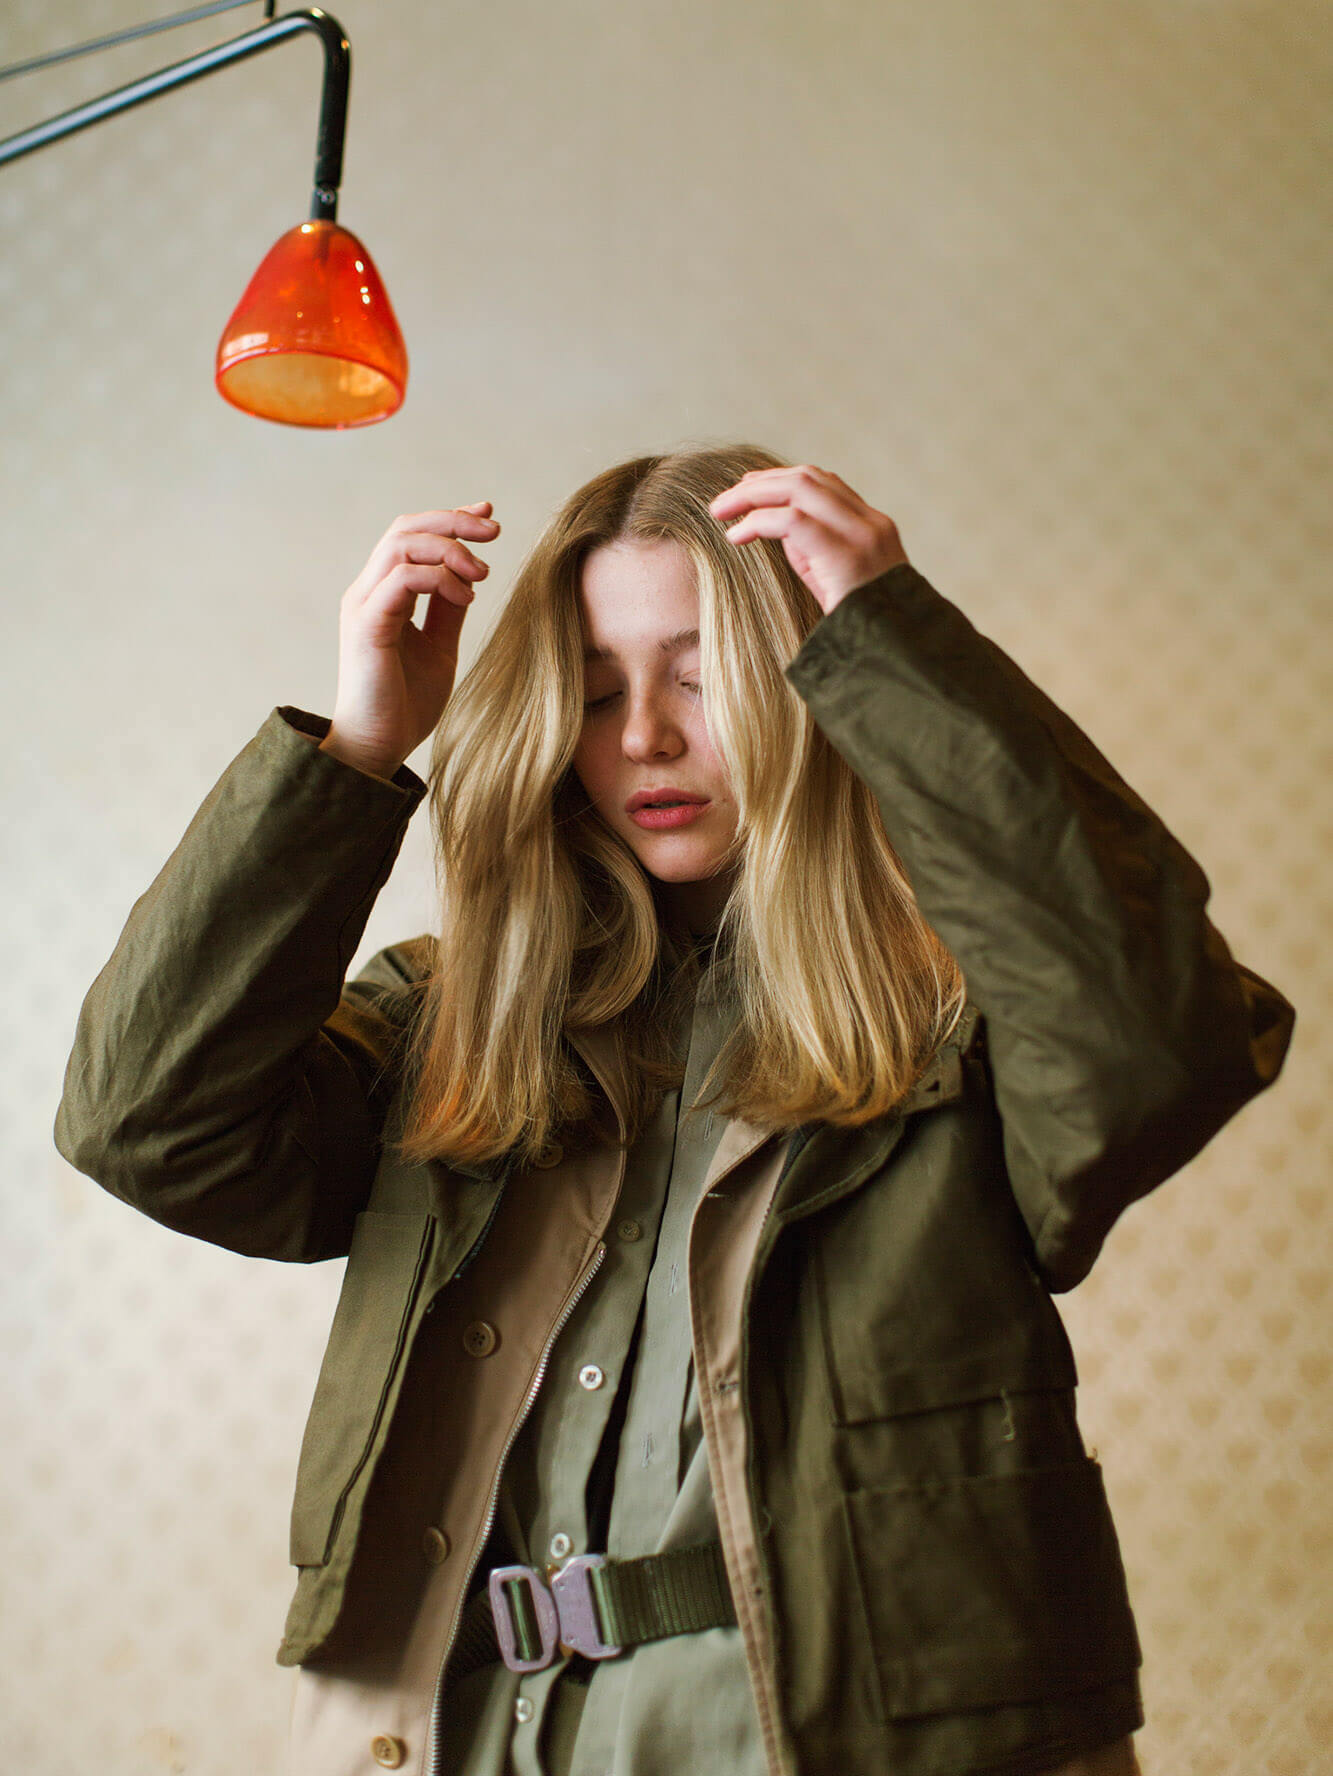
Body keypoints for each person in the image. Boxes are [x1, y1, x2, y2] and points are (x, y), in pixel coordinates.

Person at [54, 446, 1294, 1776]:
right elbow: (147, 1123)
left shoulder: (957, 1018)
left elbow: (1155, 1040)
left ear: (812, 684)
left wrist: (897, 649)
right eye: (592, 693)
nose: (641, 733)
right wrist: (358, 749)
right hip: (466, 1735)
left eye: (700, 678)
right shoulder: (448, 1024)